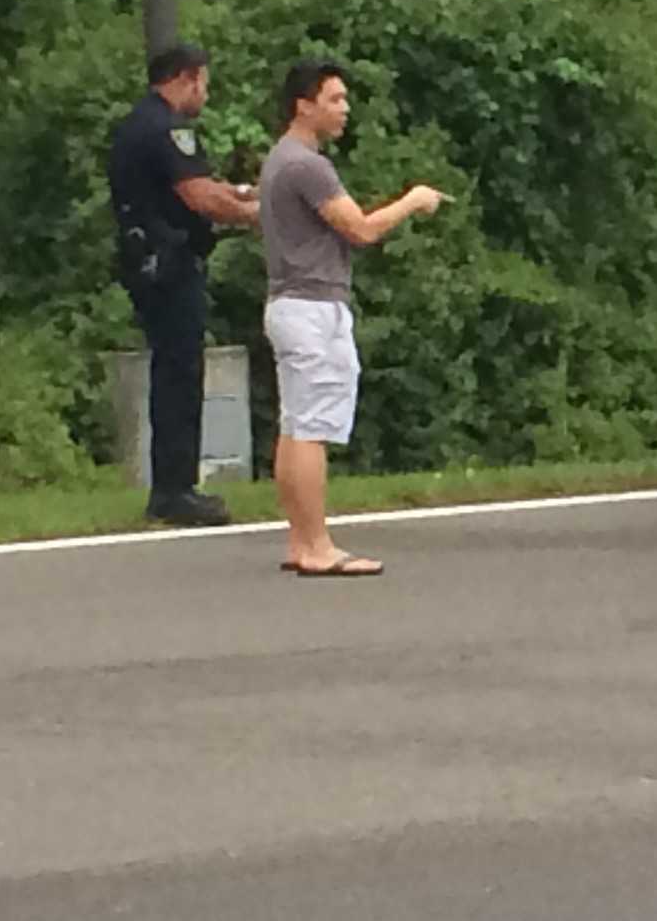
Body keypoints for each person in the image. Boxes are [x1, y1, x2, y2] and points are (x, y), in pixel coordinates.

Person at [258, 59, 446, 578]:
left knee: (297, 423)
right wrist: (412, 201)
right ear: (304, 104)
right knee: (312, 426)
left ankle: (301, 539)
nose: (345, 109)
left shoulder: (281, 160)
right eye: (335, 99)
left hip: (290, 303)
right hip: (313, 305)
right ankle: (318, 545)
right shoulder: (306, 165)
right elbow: (360, 229)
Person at [107, 43, 261, 525]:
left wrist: (243, 195)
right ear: (187, 78)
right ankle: (175, 490)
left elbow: (202, 185)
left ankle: (174, 486)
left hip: (150, 260)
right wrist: (260, 215)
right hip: (168, 264)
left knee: (175, 367)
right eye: (205, 82)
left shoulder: (140, 123)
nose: (206, 93)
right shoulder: (167, 128)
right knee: (179, 371)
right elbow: (199, 198)